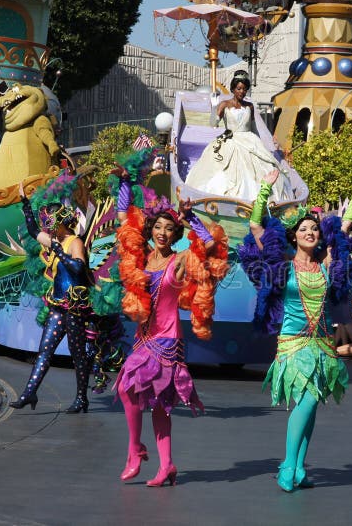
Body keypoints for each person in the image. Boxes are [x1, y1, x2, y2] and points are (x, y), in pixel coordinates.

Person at [238, 170, 352, 492]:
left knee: (311, 408)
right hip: (293, 346)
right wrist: (265, 186)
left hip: (322, 347)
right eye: (303, 229)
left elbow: (344, 228)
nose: (310, 232)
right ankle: (287, 464)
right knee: (306, 401)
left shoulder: (326, 265)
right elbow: (256, 226)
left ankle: (299, 470)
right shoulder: (281, 263)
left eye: (314, 229)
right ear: (293, 236)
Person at [113, 171, 228, 487]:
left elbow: (209, 245)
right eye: (158, 227)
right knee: (142, 399)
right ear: (150, 230)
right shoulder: (143, 257)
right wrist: (125, 183)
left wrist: (190, 216)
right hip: (144, 338)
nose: (162, 232)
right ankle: (165, 464)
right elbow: (124, 218)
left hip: (166, 341)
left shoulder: (179, 261)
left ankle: (137, 451)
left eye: (168, 227)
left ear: (175, 232)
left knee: (142, 396)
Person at [10, 182, 93, 413]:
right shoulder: (54, 241)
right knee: (44, 350)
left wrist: (59, 252)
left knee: (77, 355)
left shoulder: (74, 242)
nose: (48, 228)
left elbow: (78, 268)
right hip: (58, 306)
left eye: (51, 223)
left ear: (60, 223)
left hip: (75, 307)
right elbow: (33, 230)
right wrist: (25, 203)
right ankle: (29, 392)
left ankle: (81, 398)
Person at [184, 70, 294, 202]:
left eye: (244, 89)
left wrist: (261, 146)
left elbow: (254, 129)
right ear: (233, 89)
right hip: (231, 141)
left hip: (250, 141)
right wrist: (214, 107)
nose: (242, 92)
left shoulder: (250, 106)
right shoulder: (224, 104)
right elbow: (213, 123)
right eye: (239, 88)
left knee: (260, 171)